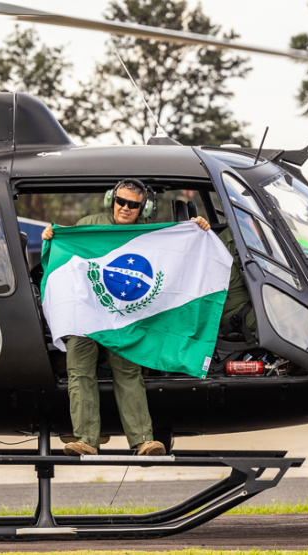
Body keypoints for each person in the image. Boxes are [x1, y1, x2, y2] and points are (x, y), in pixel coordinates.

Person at [42, 179, 210, 457]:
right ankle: (85, 440)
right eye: (121, 201)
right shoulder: (89, 225)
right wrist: (52, 236)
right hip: (87, 316)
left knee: (129, 373)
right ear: (112, 200)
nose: (126, 208)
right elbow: (68, 259)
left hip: (126, 320)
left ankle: (144, 440)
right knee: (79, 369)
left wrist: (198, 229)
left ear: (142, 207)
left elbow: (177, 250)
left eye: (134, 204)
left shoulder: (149, 232)